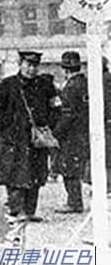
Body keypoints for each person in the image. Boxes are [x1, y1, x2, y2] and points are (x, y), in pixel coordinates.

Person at [0, 51, 59, 224]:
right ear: (20, 64)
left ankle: (29, 210)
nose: (31, 69)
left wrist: (47, 125)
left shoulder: (45, 85)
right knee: (14, 176)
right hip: (14, 139)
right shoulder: (8, 85)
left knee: (36, 174)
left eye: (35, 65)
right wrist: (8, 128)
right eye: (28, 65)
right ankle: (16, 210)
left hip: (37, 139)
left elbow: (56, 107)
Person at [53, 51, 89, 214]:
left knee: (68, 168)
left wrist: (56, 134)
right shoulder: (86, 83)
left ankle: (74, 202)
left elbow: (67, 115)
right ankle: (75, 201)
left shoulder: (70, 87)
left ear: (65, 69)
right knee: (77, 166)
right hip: (84, 132)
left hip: (71, 135)